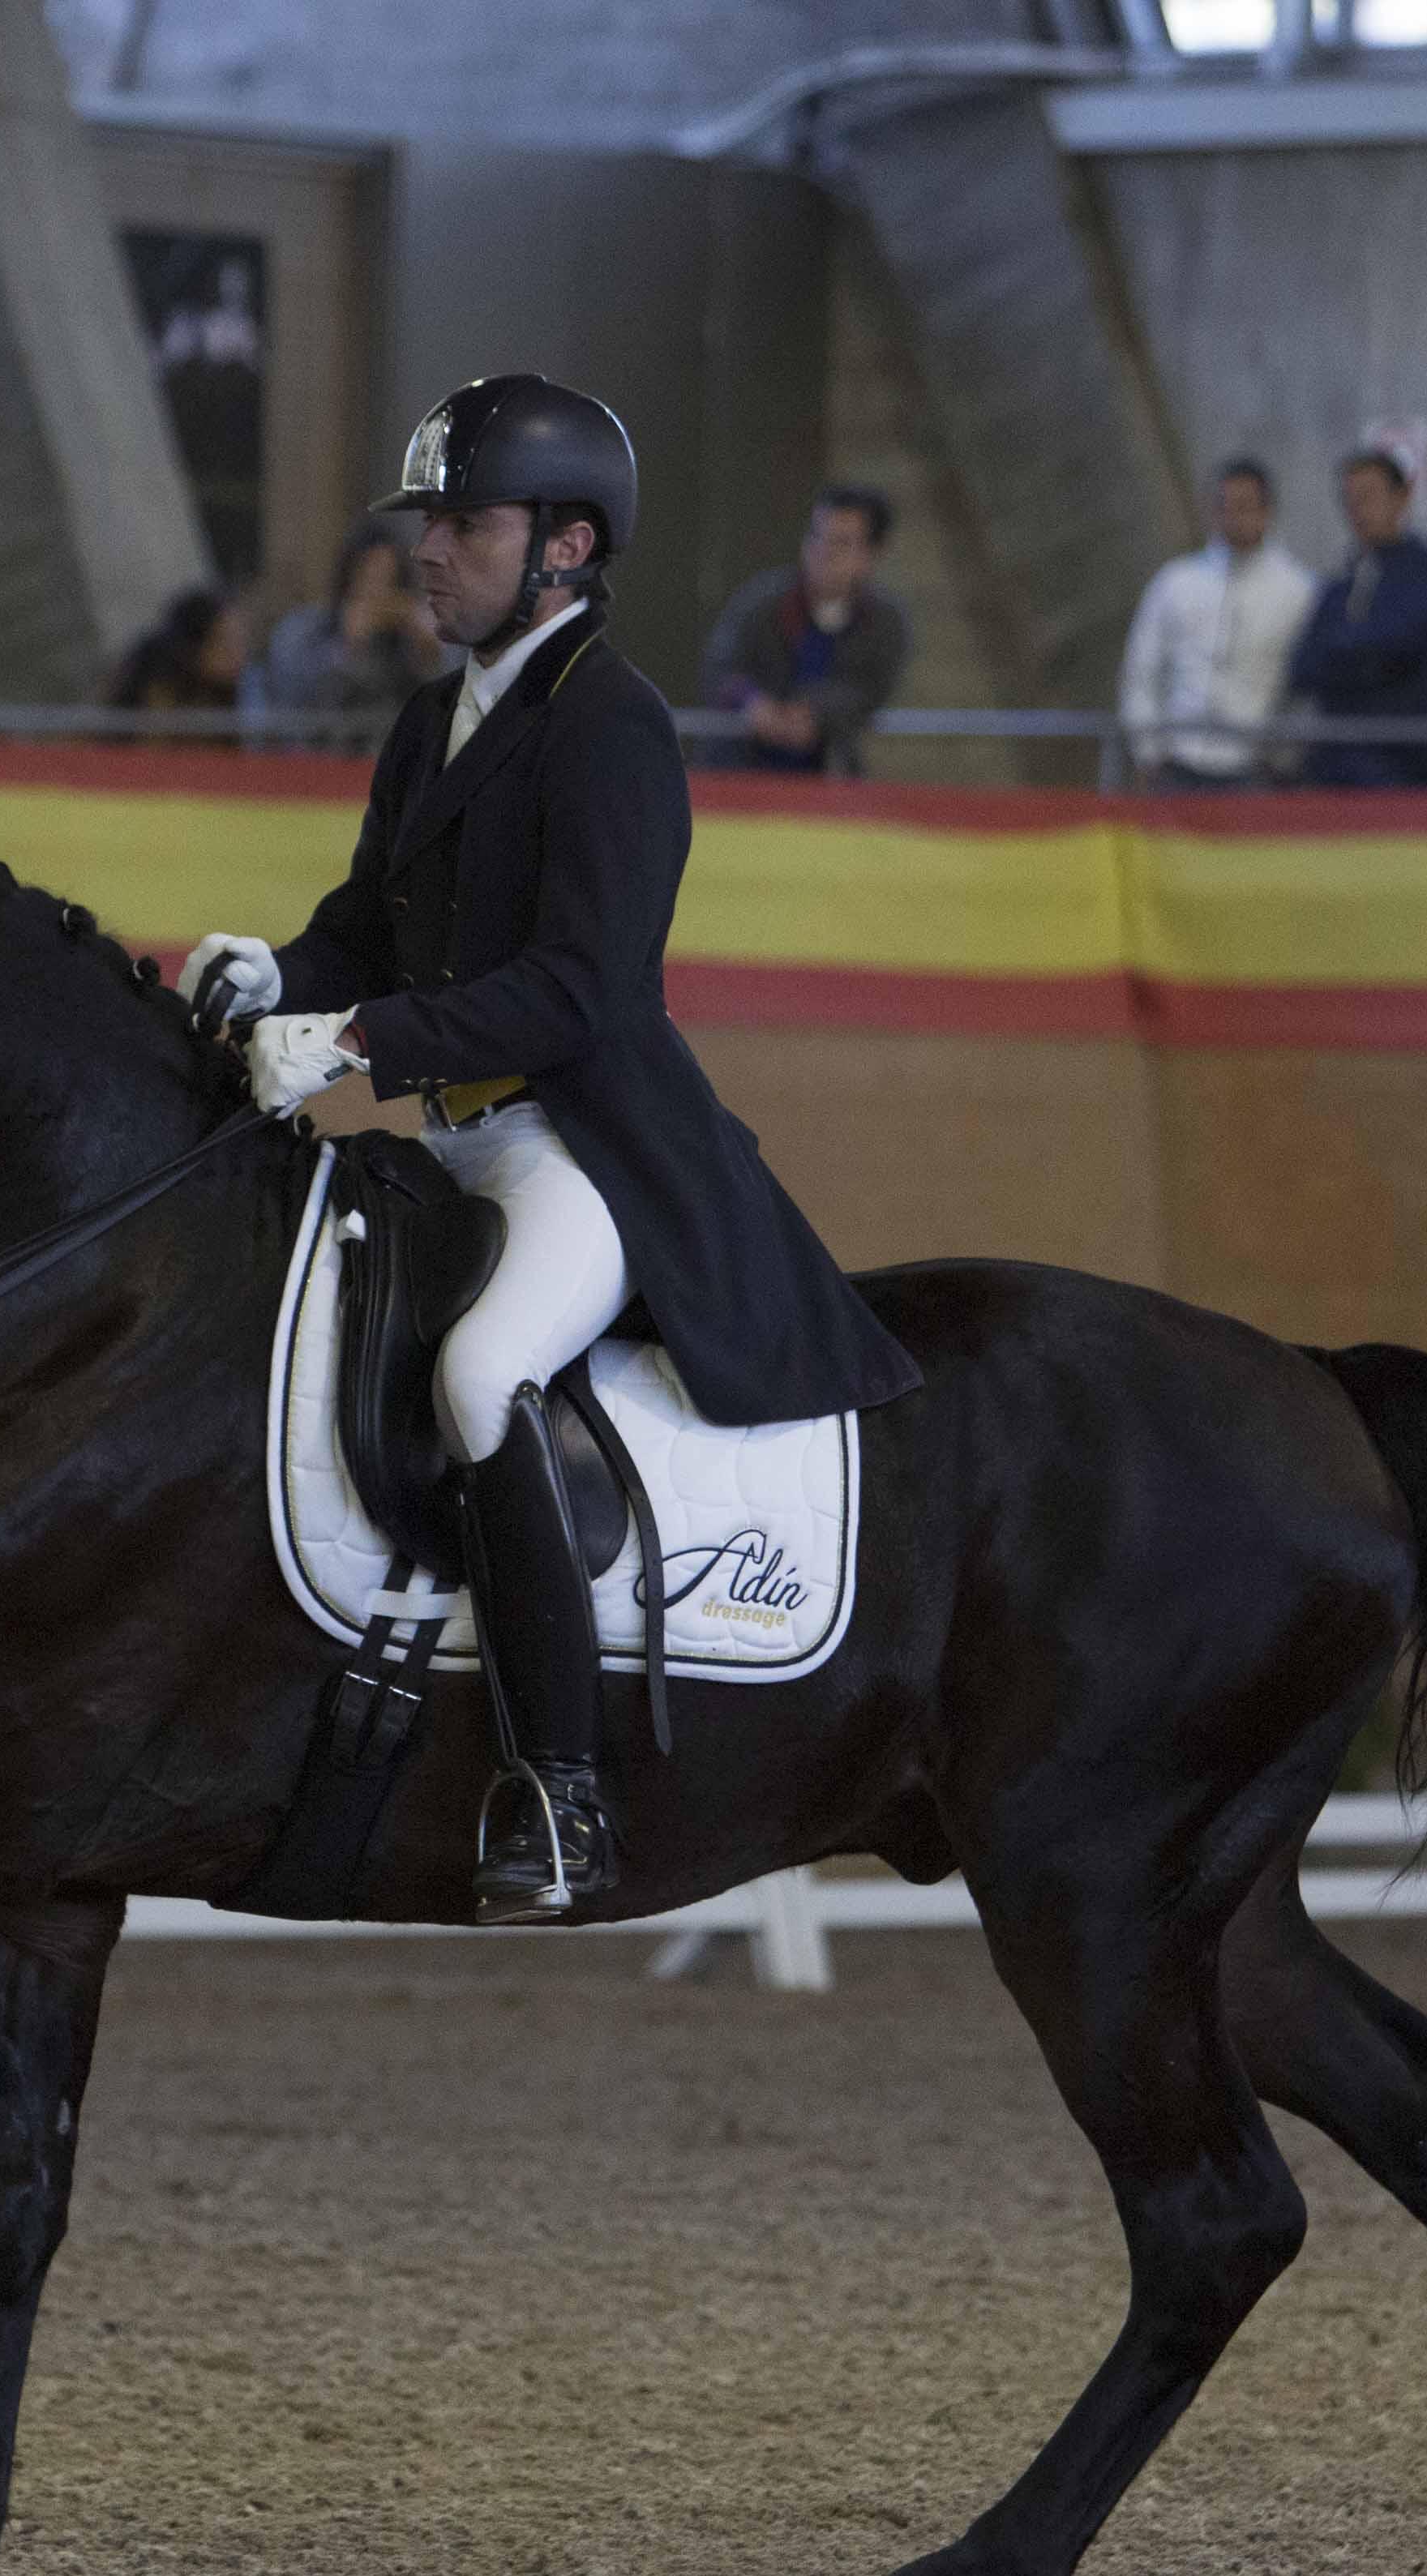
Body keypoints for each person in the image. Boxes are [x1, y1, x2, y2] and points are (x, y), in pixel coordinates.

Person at [172, 374, 920, 1923]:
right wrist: (280, 979)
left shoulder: (616, 729)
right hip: (440, 1143)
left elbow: (582, 990)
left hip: (573, 1145)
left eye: (463, 525)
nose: (427, 552)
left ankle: (561, 1792)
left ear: (566, 546)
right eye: (429, 524)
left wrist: (362, 1040)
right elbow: (369, 924)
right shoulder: (433, 715)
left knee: (479, 1376)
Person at [1116, 457, 1317, 788]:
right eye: (1223, 505)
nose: (1233, 517)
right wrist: (1148, 751)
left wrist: (1283, 758)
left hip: (1253, 765)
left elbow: (1304, 686)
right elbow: (1141, 669)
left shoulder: (1299, 591)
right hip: (1177, 759)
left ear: (1267, 512)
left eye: (1244, 506)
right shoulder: (1175, 581)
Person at [1283, 448, 1427, 789]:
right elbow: (1303, 666)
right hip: (1330, 768)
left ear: (1401, 497)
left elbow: (1399, 644)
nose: (1357, 511)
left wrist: (1343, 655)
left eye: (1368, 496)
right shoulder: (1342, 582)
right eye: (1349, 500)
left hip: (1401, 767)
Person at [700, 484, 911, 777]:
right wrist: (752, 703)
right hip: (739, 772)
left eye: (841, 543)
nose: (823, 551)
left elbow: (871, 689)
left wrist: (815, 714)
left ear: (870, 555)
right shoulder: (761, 603)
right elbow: (720, 666)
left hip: (829, 778)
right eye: (816, 535)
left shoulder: (885, 623)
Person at [246, 516, 439, 730]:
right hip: (324, 752)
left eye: (388, 578)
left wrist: (427, 650)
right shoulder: (304, 629)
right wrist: (346, 647)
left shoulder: (408, 631)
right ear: (349, 575)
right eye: (369, 575)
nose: (378, 591)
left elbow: (434, 701)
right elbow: (290, 699)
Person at [106, 584, 255, 717]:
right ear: (193, 648)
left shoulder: (248, 690)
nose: (238, 654)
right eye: (223, 644)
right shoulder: (159, 691)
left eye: (241, 640)